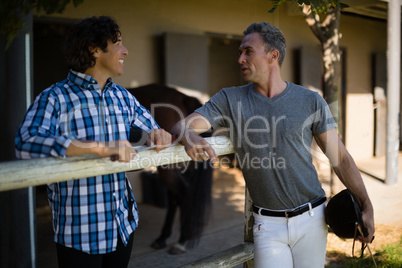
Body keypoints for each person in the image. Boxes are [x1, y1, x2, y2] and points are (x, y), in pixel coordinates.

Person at [171, 22, 374, 267]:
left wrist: (366, 204)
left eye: (248, 51)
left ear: (272, 56)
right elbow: (182, 125)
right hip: (267, 226)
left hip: (312, 219)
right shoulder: (229, 98)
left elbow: (339, 158)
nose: (240, 59)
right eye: (240, 52)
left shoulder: (310, 101)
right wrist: (190, 137)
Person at [15, 16, 171, 268]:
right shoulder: (54, 98)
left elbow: (152, 128)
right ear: (94, 49)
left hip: (123, 226)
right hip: (79, 232)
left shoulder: (122, 96)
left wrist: (158, 134)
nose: (125, 50)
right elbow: (25, 143)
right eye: (118, 43)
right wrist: (99, 148)